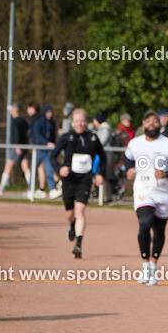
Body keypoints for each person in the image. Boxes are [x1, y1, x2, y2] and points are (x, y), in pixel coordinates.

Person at [124, 111, 168, 284]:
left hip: (163, 192)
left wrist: (167, 173)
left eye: (155, 121)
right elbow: (128, 158)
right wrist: (128, 169)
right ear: (143, 124)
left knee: (159, 231)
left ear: (160, 125)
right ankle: (145, 265)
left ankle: (153, 265)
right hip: (143, 190)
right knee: (144, 224)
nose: (151, 124)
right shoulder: (134, 143)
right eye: (148, 121)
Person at [50, 108, 106, 258]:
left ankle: (79, 245)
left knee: (80, 210)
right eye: (77, 121)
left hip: (85, 180)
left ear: (86, 122)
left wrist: (100, 173)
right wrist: (60, 169)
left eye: (82, 121)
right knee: (70, 213)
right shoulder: (66, 137)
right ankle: (71, 226)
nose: (80, 124)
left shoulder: (93, 138)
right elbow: (52, 157)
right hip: (69, 180)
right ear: (72, 123)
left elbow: (103, 157)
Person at [0, 103, 32, 195]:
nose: (10, 111)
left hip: (18, 147)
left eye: (11, 109)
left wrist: (17, 146)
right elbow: (28, 134)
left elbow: (17, 134)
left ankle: (1, 188)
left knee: (8, 165)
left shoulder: (15, 121)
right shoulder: (24, 121)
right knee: (25, 167)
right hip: (24, 146)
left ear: (15, 110)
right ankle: (31, 187)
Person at [30, 104, 60, 199]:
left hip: (48, 151)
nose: (50, 114)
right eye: (48, 112)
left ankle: (52, 189)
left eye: (51, 112)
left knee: (49, 169)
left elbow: (53, 136)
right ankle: (30, 189)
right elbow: (37, 135)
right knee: (34, 169)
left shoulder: (52, 123)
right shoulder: (39, 122)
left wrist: (53, 145)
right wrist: (46, 143)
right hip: (39, 149)